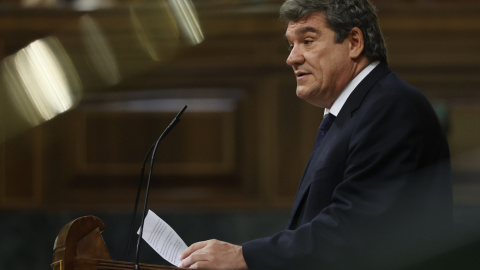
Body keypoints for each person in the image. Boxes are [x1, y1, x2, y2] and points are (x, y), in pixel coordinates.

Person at [178, 0, 452, 269]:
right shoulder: (356, 111)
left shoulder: (391, 107)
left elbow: (353, 230)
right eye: (291, 44)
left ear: (354, 42)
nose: (292, 58)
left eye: (307, 41)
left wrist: (244, 257)